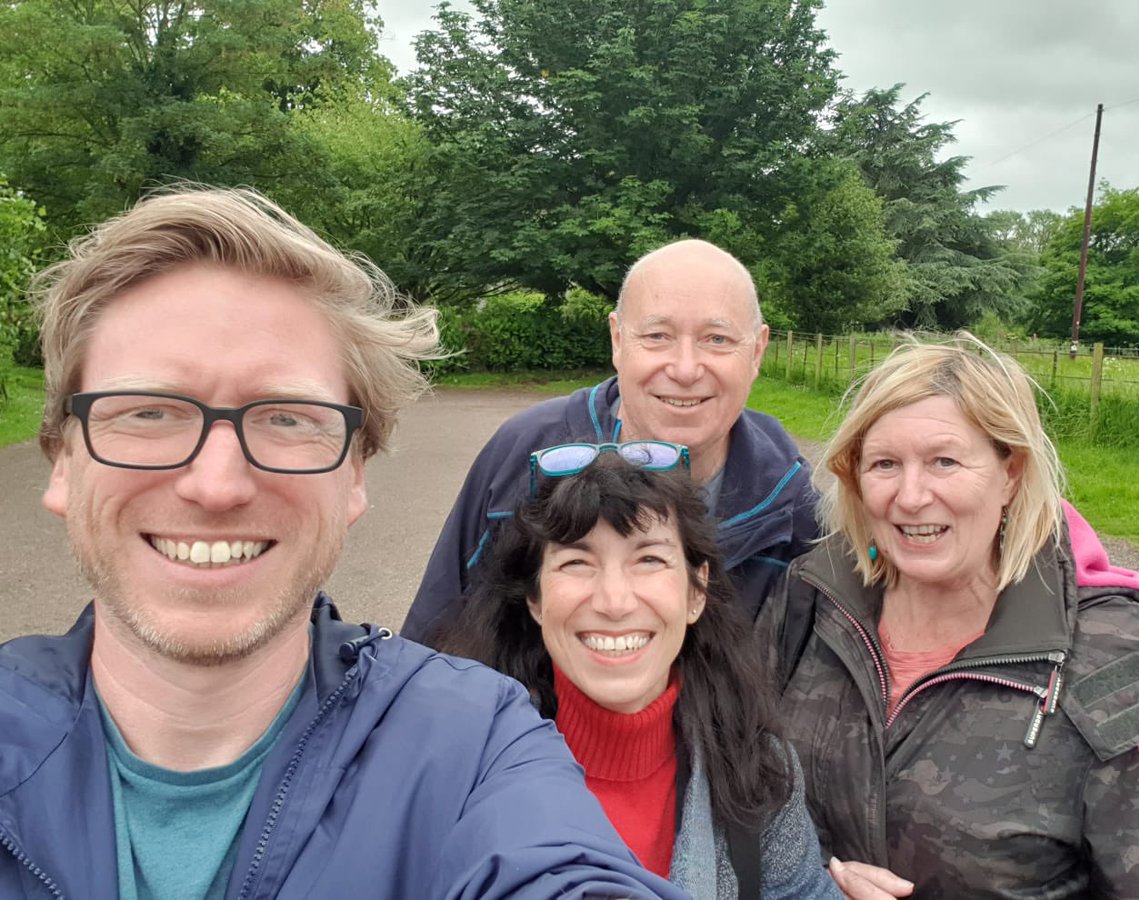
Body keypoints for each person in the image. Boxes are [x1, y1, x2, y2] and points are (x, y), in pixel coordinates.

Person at [0, 186, 686, 899]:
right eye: (148, 411)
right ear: (61, 458)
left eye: (287, 419)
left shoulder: (477, 744)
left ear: (355, 472)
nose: (217, 484)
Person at [758, 333, 1139, 897]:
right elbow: (743, 792)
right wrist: (811, 881)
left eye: (944, 461)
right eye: (885, 464)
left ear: (1010, 473)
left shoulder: (1116, 676)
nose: (912, 496)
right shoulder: (812, 600)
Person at [438, 444, 914, 900]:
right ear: (535, 600)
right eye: (577, 561)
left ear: (696, 592)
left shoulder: (758, 772)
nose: (614, 601)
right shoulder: (456, 775)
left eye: (649, 559)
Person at [403, 238, 819, 642]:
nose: (686, 368)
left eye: (717, 339)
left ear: (757, 352)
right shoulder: (525, 454)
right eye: (657, 336)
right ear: (618, 340)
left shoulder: (793, 506)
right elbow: (431, 641)